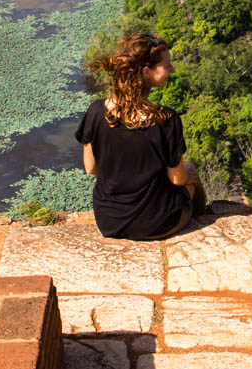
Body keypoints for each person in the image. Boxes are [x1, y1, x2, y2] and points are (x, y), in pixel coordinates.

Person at [75, 32, 206, 241]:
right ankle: (201, 218)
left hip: (109, 221)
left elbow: (91, 168)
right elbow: (177, 179)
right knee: (191, 173)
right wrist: (189, 177)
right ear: (146, 71)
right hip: (157, 223)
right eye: (167, 65)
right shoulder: (166, 119)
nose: (172, 69)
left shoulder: (96, 112)